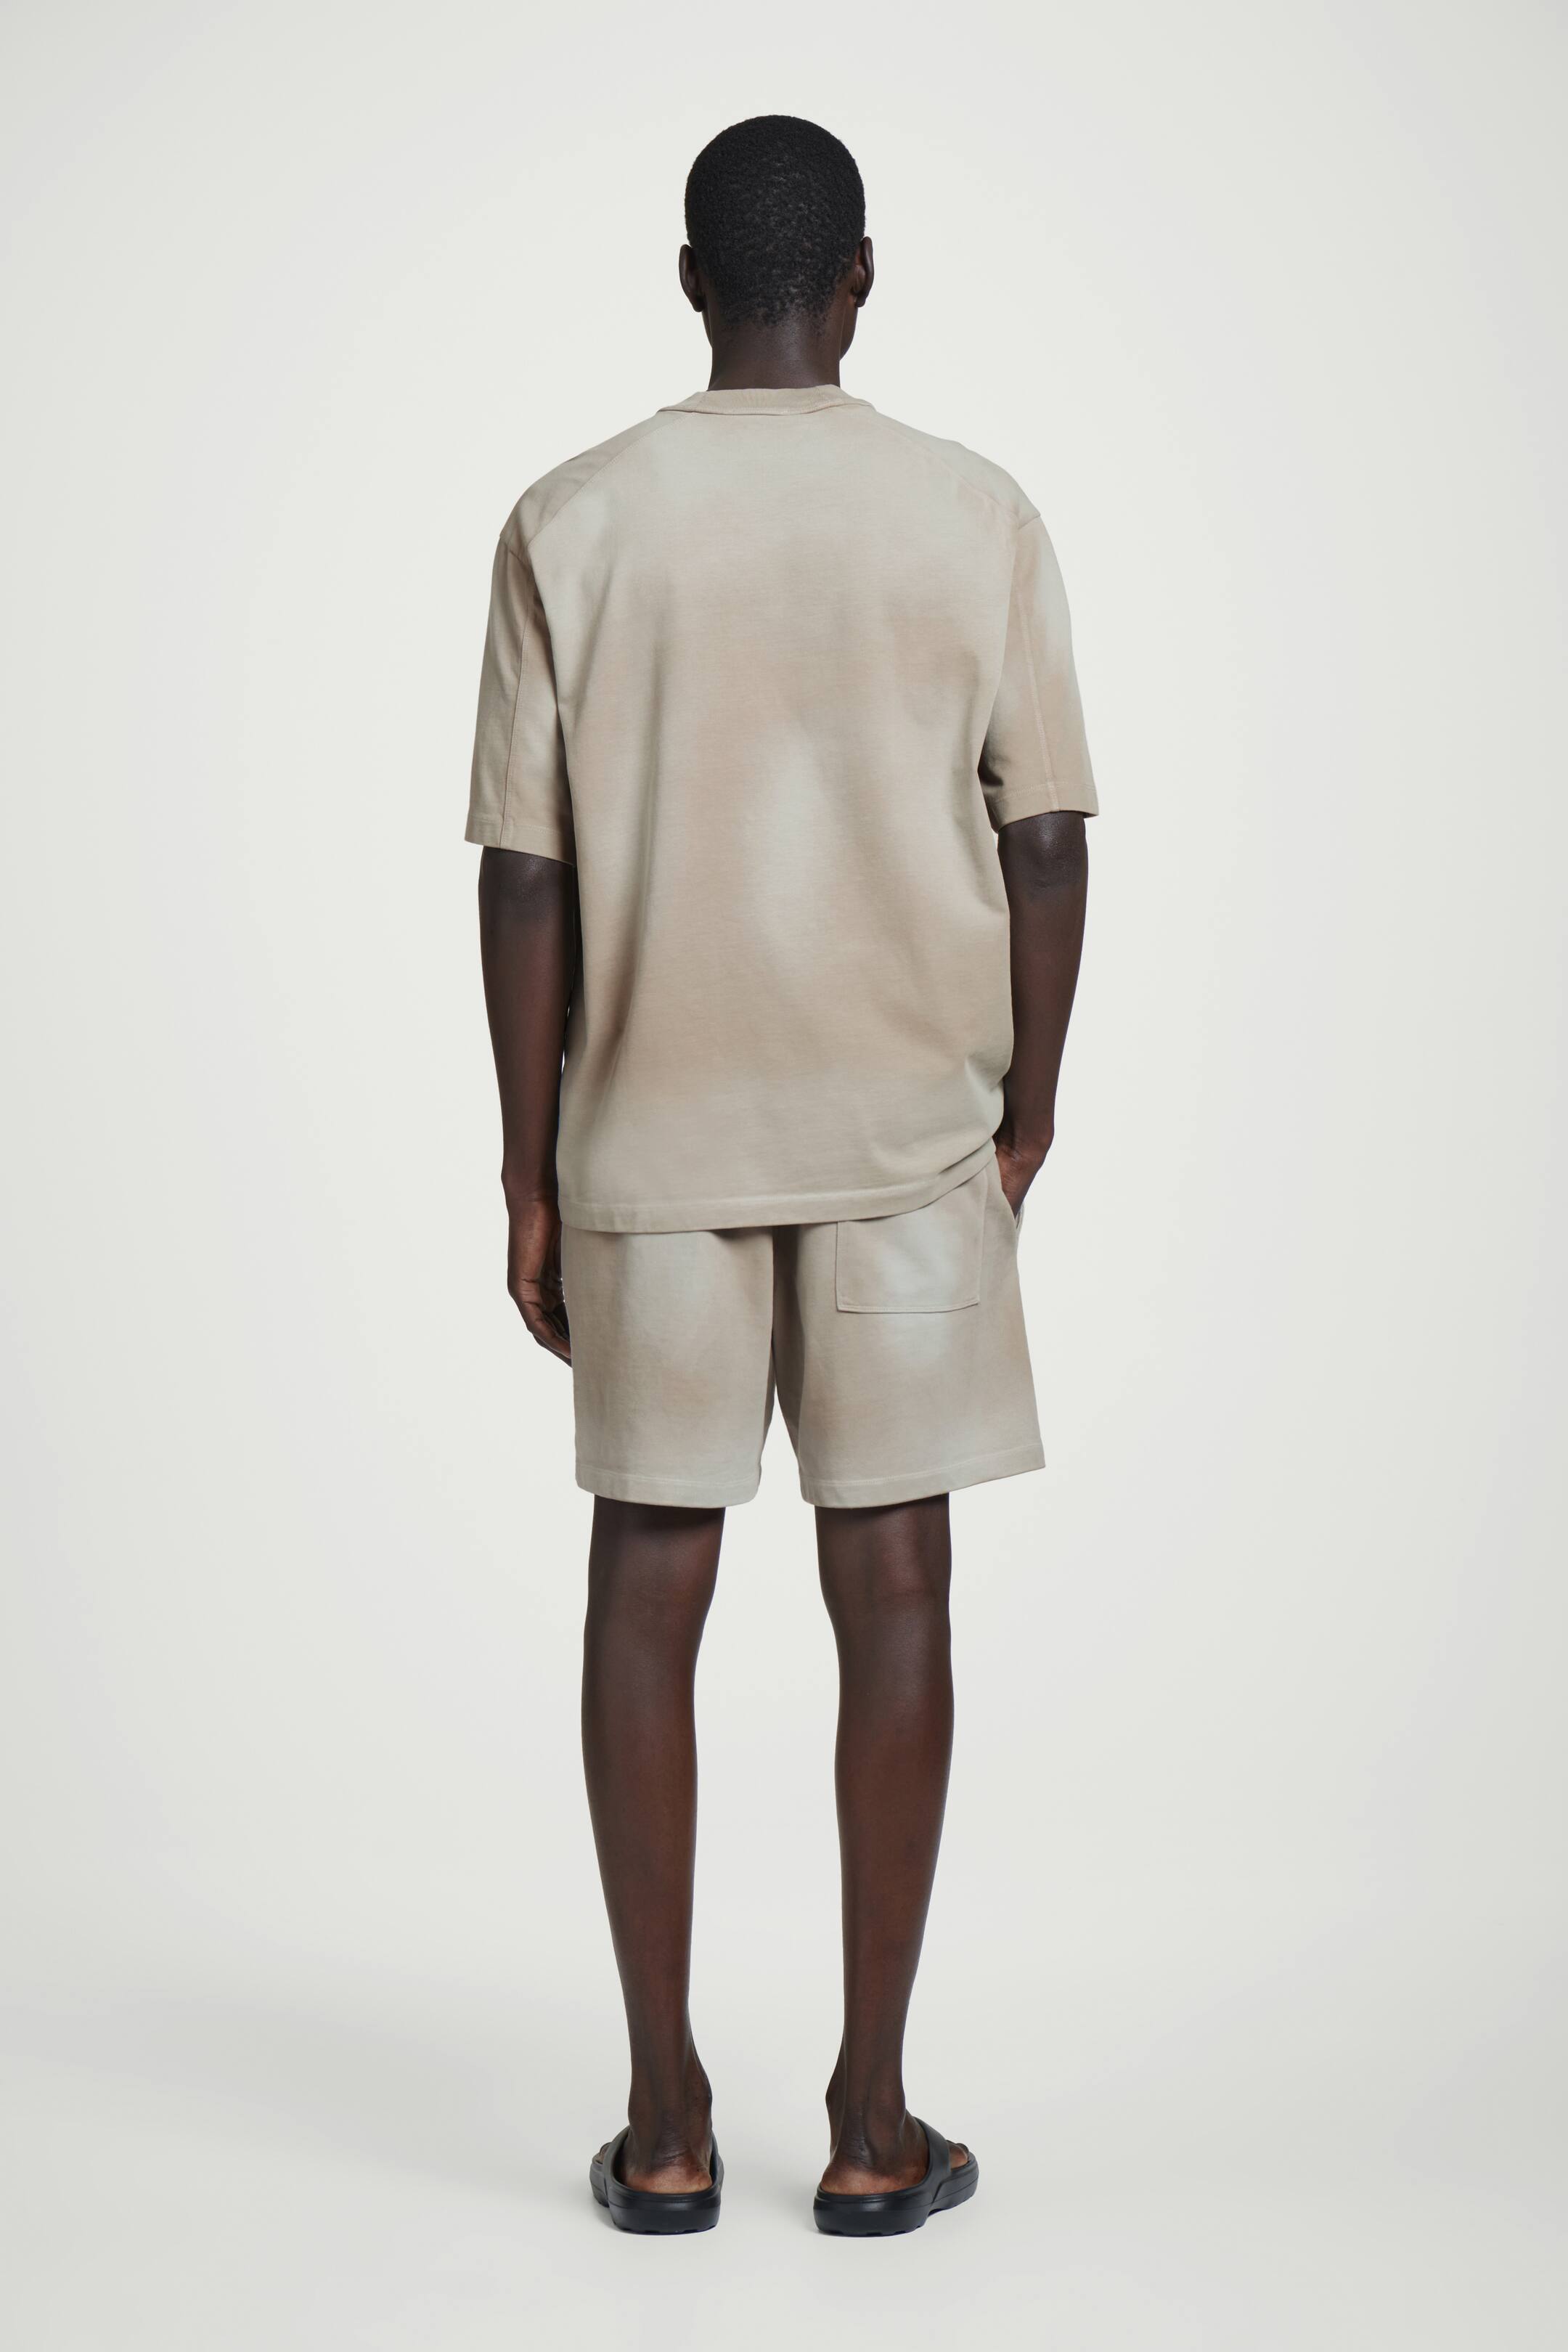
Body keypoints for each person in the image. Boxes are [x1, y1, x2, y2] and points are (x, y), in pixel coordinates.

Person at [467, 115, 1095, 2237]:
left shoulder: (573, 518)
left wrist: (528, 1167)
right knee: (894, 1583)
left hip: (649, 1128)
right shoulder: (973, 513)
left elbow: (525, 871)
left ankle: (663, 2124)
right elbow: (1046, 838)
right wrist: (1029, 1112)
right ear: (862, 281)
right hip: (910, 1136)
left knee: (647, 1583)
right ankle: (871, 2122)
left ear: (688, 281)